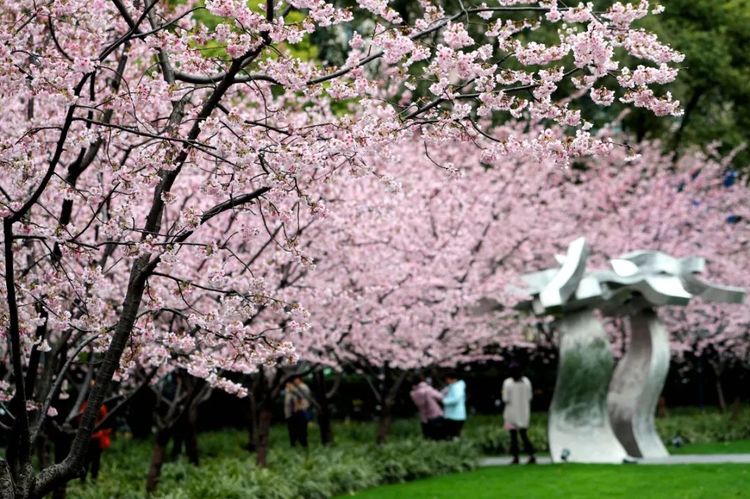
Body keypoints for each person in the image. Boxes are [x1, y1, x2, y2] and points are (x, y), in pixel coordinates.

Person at [502, 362, 535, 464]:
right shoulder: (526, 382)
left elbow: (505, 398)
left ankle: (515, 457)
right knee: (524, 435)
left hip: (511, 413)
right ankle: (531, 455)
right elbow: (530, 397)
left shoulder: (507, 383)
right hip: (524, 413)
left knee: (513, 437)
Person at [78, 401, 112, 482]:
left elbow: (104, 420)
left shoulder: (100, 406)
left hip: (96, 438)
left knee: (94, 461)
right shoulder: (85, 405)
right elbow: (80, 420)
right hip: (88, 438)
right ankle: (84, 479)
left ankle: (93, 479)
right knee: (86, 461)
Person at [410, 375, 444, 440]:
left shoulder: (413, 393)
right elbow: (440, 397)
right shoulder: (428, 389)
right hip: (435, 415)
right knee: (437, 436)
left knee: (427, 437)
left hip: (424, 417)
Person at [284, 375, 313, 448]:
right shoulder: (289, 387)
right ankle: (294, 445)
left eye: (296, 379)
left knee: (302, 431)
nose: (295, 381)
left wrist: (292, 389)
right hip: (290, 413)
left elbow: (302, 396)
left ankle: (304, 446)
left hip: (301, 411)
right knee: (292, 431)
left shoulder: (303, 387)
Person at [441, 372, 466, 439]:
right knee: (453, 434)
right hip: (453, 415)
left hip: (455, 415)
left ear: (453, 379)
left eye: (447, 379)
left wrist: (443, 401)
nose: (446, 381)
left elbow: (456, 399)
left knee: (454, 435)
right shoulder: (452, 386)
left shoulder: (457, 387)